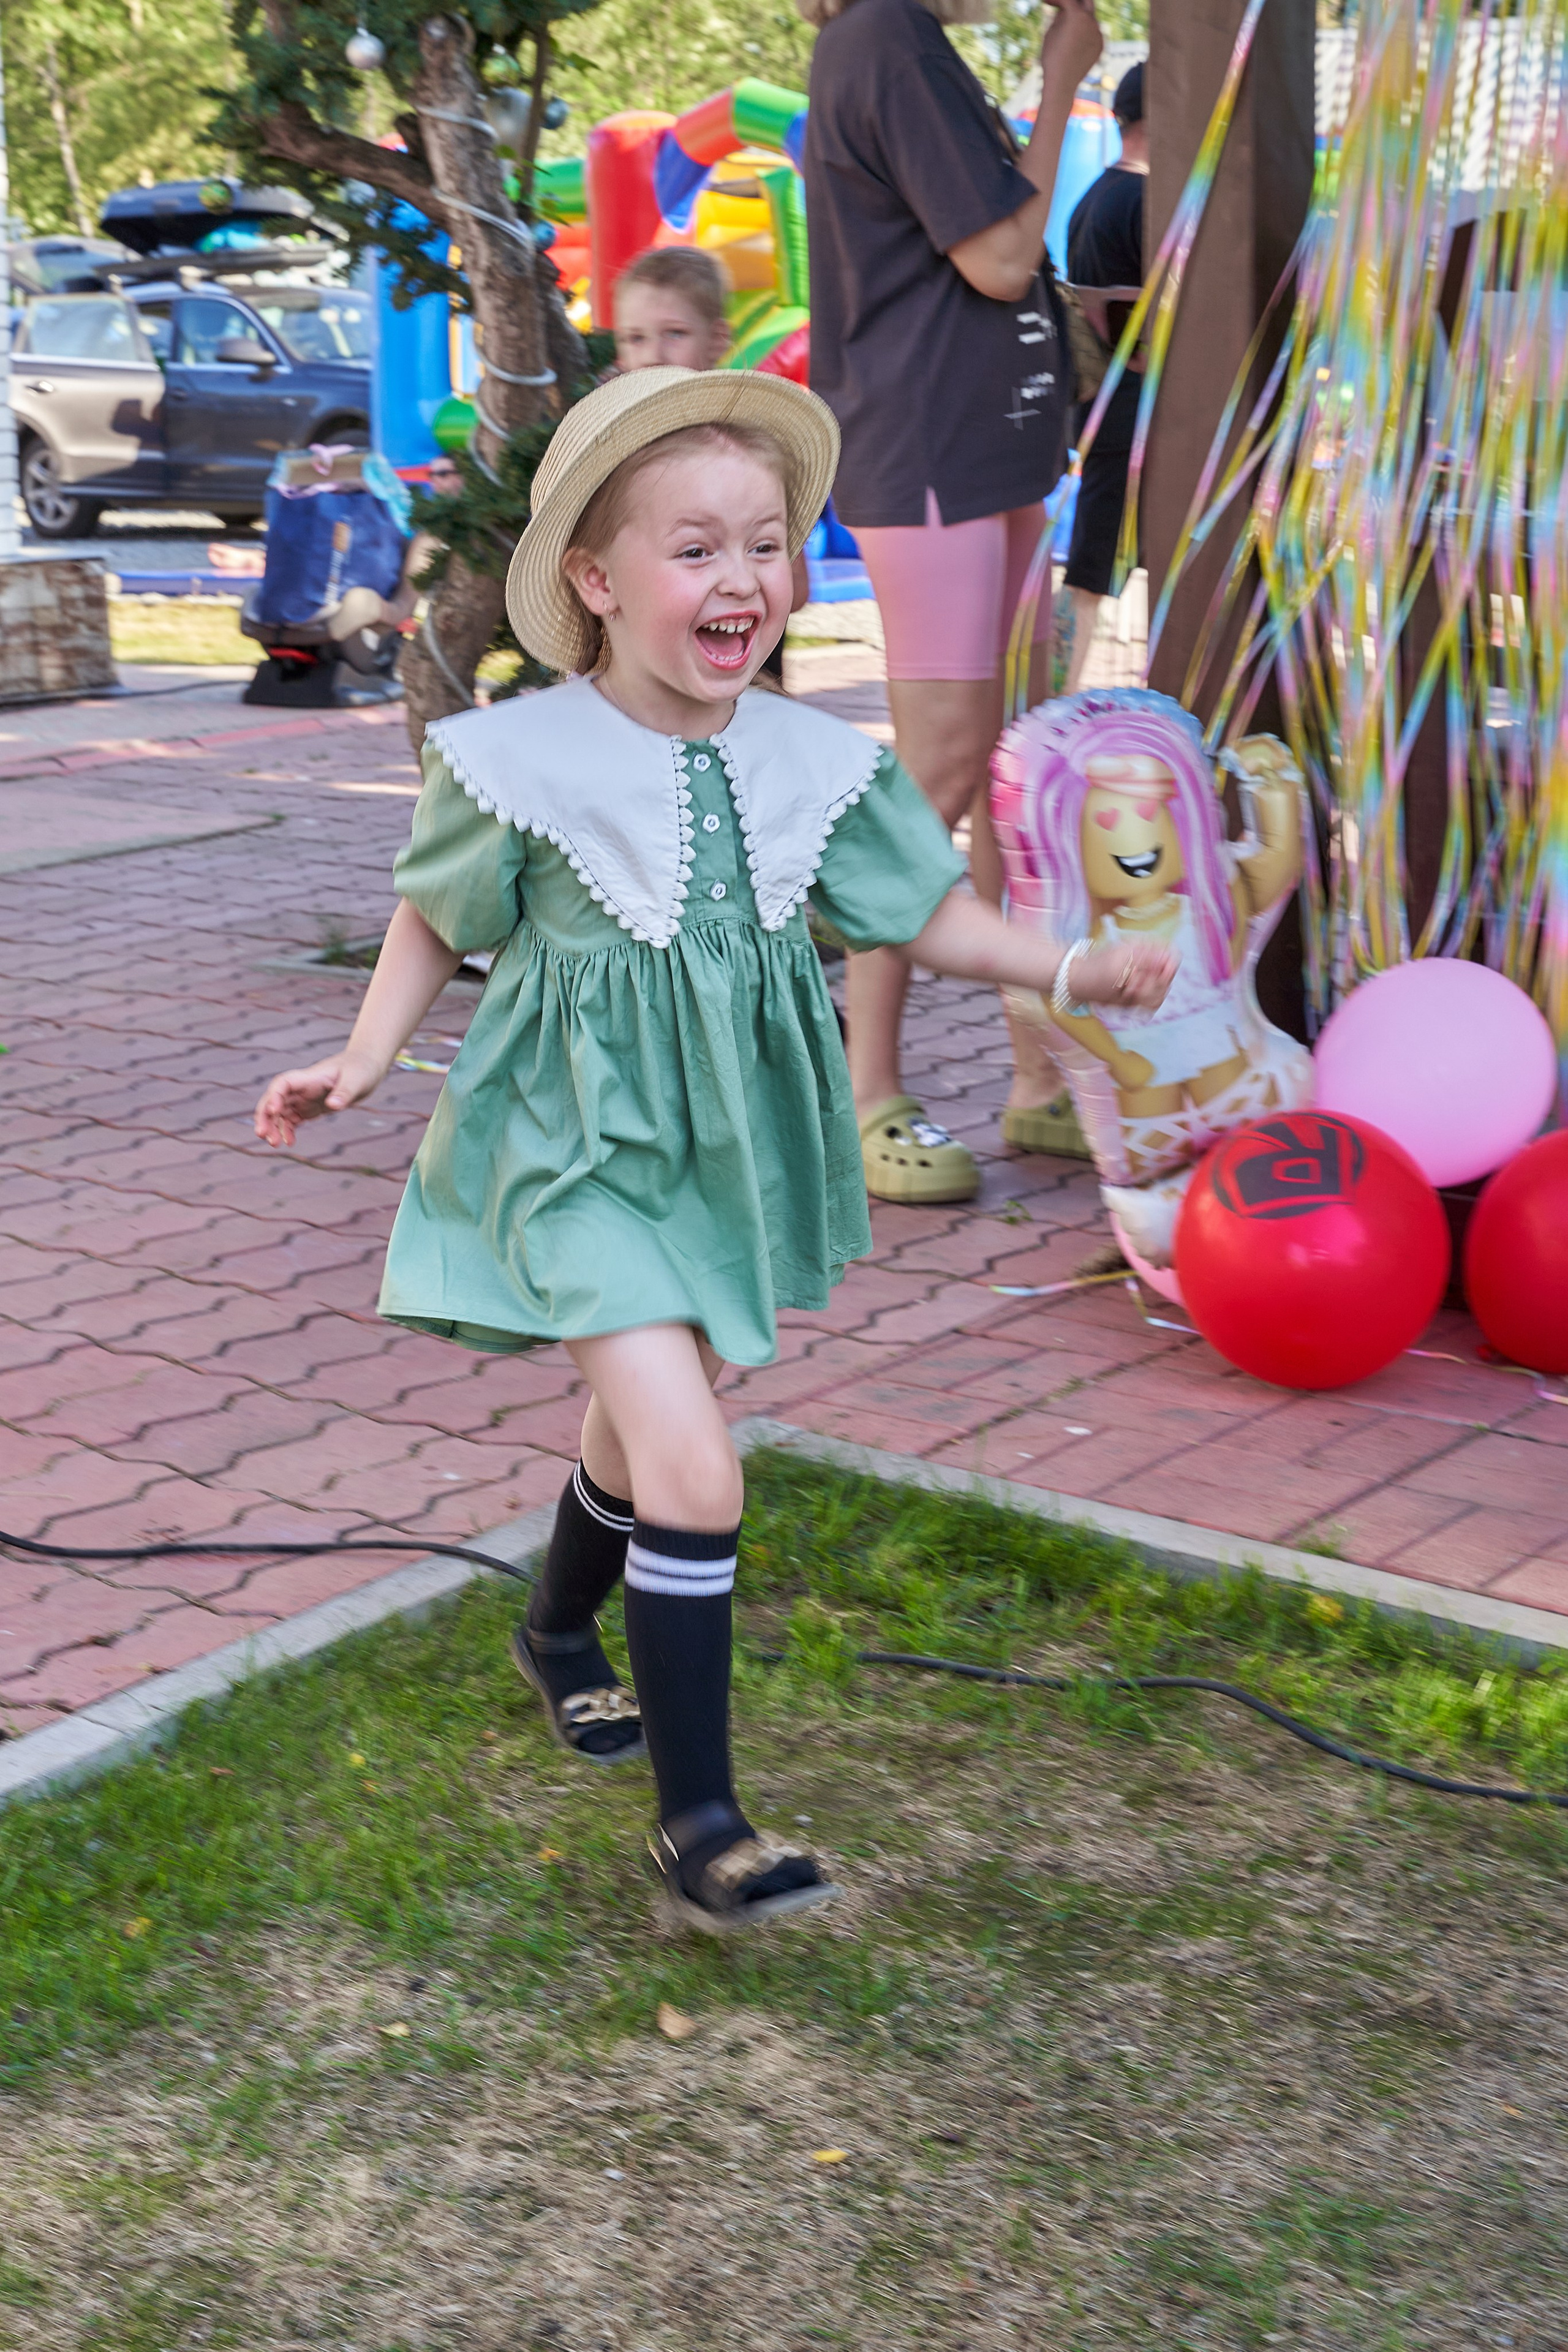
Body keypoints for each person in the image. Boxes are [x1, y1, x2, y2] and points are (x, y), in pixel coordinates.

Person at [253, 369, 1174, 1932]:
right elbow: (435, 915)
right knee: (692, 1458)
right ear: (597, 583)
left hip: (719, 1149)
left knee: (641, 1427)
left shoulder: (812, 764)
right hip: (567, 1145)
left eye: (763, 544)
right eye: (694, 549)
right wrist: (360, 1059)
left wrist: (1068, 967)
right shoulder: (520, 759)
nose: (739, 576)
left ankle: (555, 1632)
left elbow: (918, 913)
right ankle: (700, 1827)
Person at [801, 0, 1104, 1204]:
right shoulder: (885, 37)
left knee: (1011, 774)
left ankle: (1033, 1076)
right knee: (938, 771)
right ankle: (863, 1094)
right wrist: (1063, 80)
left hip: (989, 452)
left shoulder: (906, 42)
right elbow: (998, 258)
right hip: (929, 455)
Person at [613, 246, 810, 682]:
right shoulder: (614, 453)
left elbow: (796, 588)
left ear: (718, 339)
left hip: (742, 664)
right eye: (634, 338)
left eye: (675, 333)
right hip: (648, 676)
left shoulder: (753, 449)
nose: (653, 354)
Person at [1063, 59, 1147, 691]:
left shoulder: (1091, 198)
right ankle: (1056, 701)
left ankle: (1056, 697)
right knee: (1091, 576)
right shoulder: (1148, 202)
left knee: (1091, 569)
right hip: (1137, 410)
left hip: (1097, 404)